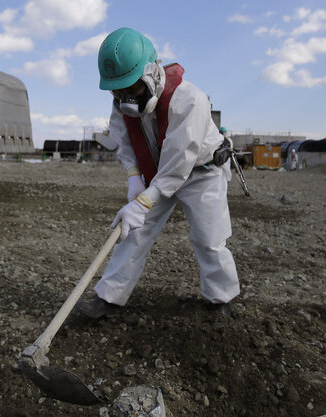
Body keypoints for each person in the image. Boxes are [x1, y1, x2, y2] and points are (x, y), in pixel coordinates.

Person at [76, 27, 240, 319]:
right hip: (156, 174)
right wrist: (133, 177)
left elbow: (180, 161)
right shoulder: (122, 104)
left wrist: (143, 201)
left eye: (133, 88)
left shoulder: (188, 99)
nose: (126, 98)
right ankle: (109, 298)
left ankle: (220, 300)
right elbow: (124, 143)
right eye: (118, 91)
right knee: (131, 232)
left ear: (151, 73)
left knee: (209, 238)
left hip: (202, 171)